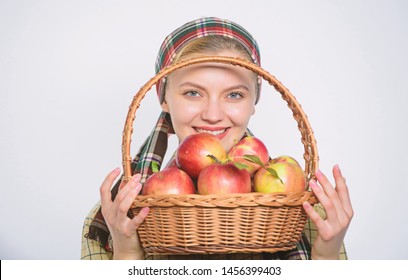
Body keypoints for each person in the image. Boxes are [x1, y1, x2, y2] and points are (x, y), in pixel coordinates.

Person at [81, 17, 353, 260]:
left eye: (234, 94)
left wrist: (325, 256)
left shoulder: (300, 208)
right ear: (164, 100)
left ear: (253, 103)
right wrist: (127, 253)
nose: (213, 115)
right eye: (192, 93)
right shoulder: (118, 214)